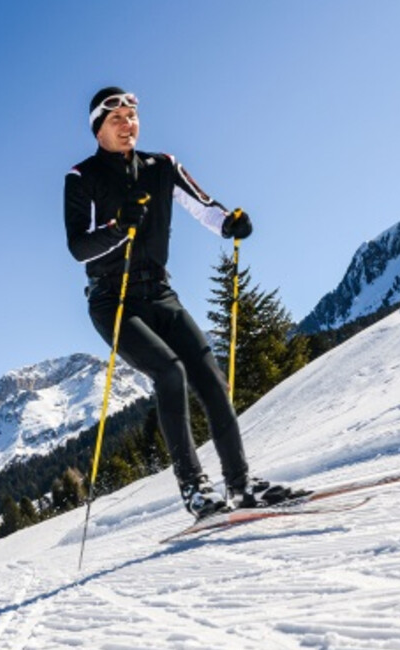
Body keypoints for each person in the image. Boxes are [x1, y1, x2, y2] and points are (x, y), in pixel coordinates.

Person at [63, 86, 298, 519]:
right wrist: (118, 227)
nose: (127, 124)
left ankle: (241, 484)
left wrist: (230, 224)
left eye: (132, 116)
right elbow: (78, 247)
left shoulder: (161, 166)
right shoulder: (82, 177)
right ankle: (194, 489)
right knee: (169, 372)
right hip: (113, 300)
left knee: (209, 376)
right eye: (116, 119)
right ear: (98, 128)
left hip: (160, 292)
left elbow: (204, 206)